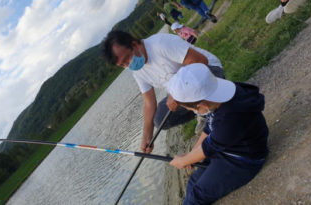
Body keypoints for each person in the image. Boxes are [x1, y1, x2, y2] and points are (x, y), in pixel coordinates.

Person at [102, 30, 224, 153]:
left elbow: (200, 61)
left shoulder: (160, 44)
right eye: (123, 65)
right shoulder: (137, 72)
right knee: (160, 120)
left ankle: (210, 113)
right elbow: (149, 103)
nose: (128, 65)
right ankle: (202, 113)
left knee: (185, 94)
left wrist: (174, 95)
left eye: (127, 58)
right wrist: (147, 135)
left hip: (210, 72)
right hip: (186, 94)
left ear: (134, 45)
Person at [167, 63, 268, 204]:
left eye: (191, 110)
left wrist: (183, 161)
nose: (193, 112)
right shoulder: (218, 95)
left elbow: (210, 147)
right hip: (228, 148)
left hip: (243, 160)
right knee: (193, 182)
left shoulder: (229, 119)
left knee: (196, 196)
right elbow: (209, 129)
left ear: (202, 106)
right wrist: (191, 155)